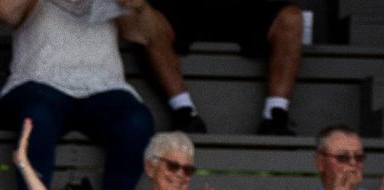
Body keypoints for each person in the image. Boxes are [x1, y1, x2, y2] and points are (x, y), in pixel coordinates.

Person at [0, 0, 159, 190]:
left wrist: (138, 6)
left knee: (137, 121)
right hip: (39, 82)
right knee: (38, 114)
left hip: (102, 87)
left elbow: (145, 35)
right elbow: (2, 11)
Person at [125, 0, 306, 136]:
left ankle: (275, 114)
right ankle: (184, 111)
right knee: (145, 16)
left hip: (244, 10)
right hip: (184, 8)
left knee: (291, 17)